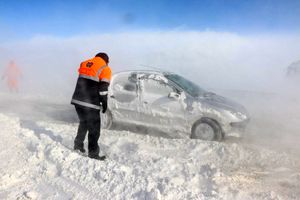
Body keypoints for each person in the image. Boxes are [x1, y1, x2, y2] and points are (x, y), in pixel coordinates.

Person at [71, 52, 112, 160]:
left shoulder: (84, 63)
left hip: (77, 100)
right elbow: (103, 89)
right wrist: (104, 102)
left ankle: (78, 145)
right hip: (90, 103)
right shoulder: (105, 68)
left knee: (84, 123)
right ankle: (93, 154)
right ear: (106, 61)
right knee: (94, 129)